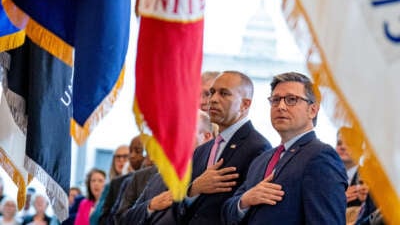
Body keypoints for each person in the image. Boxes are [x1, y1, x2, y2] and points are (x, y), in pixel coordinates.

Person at [222, 71, 348, 225]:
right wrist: (245, 201)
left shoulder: (321, 156)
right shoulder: (262, 159)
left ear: (312, 110)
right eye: (275, 100)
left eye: (291, 100)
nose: (281, 106)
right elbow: (227, 212)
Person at [179, 70, 272, 224]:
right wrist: (194, 189)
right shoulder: (202, 150)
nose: (213, 99)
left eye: (224, 94)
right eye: (212, 92)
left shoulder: (259, 148)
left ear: (245, 104)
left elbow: (251, 209)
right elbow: (181, 206)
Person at [119, 109, 216, 225]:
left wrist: (189, 193)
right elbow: (125, 220)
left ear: (206, 137)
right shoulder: (158, 179)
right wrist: (150, 205)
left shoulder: (212, 176)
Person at [98, 136, 144, 225]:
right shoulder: (113, 184)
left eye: (125, 156)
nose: (121, 160)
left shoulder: (142, 179)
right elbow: (102, 216)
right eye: (118, 157)